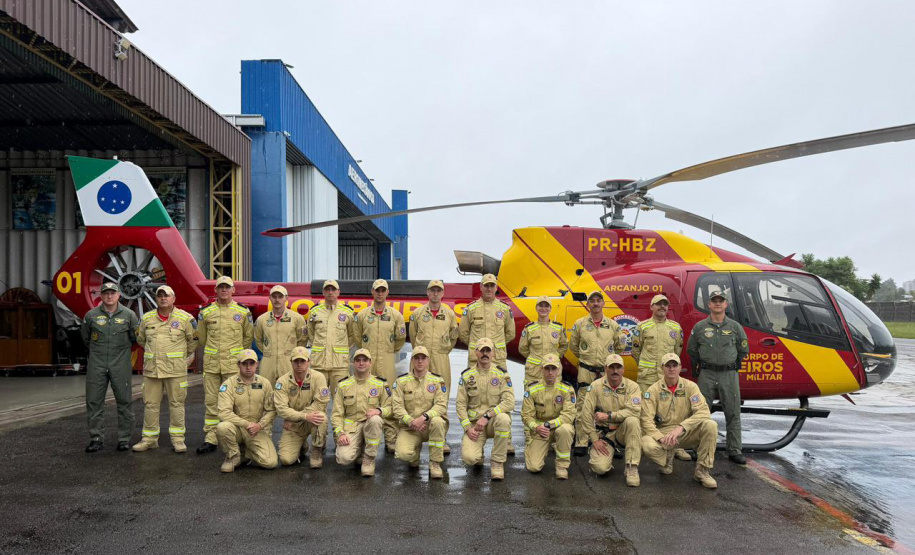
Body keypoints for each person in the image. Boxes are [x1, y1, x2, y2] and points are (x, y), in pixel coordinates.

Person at [687, 289, 750, 465]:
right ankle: (697, 448)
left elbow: (743, 349)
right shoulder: (700, 327)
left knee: (733, 412)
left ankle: (735, 450)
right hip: (706, 373)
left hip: (729, 374)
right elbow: (691, 350)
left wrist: (732, 364)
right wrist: (699, 367)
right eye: (714, 300)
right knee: (700, 412)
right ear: (709, 304)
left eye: (720, 301)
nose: (717, 303)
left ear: (725, 304)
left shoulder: (735, 327)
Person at [132, 285, 197, 454]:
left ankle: (178, 440)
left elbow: (193, 341)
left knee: (177, 404)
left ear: (173, 298)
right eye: (160, 295)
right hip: (152, 371)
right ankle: (149, 439)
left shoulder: (185, 319)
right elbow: (141, 340)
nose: (163, 298)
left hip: (175, 371)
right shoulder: (146, 318)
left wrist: (181, 357)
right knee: (150, 405)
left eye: (166, 295)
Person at [457, 274, 517, 454]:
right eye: (486, 286)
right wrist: (478, 350)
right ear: (481, 288)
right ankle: (474, 436)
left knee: (503, 397)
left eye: (492, 286)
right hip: (476, 360)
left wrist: (493, 349)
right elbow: (463, 333)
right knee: (474, 398)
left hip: (497, 359)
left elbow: (510, 333)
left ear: (496, 288)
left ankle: (506, 440)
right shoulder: (471, 309)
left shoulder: (504, 309)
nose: (489, 289)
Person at [640, 353, 718, 489]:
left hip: (685, 431)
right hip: (664, 432)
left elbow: (704, 411)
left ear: (680, 367)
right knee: (646, 444)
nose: (671, 369)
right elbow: (646, 420)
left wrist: (681, 427)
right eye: (668, 366)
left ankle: (702, 471)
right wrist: (660, 438)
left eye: (674, 365)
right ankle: (666, 459)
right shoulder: (653, 390)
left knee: (710, 425)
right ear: (662, 368)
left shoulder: (690, 387)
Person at [196, 276, 254, 454]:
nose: (224, 290)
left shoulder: (243, 312)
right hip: (213, 366)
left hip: (232, 367)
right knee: (212, 403)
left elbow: (248, 338)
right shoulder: (205, 312)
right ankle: (211, 438)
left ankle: (237, 436)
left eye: (227, 287)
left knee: (237, 403)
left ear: (233, 290)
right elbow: (202, 338)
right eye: (221, 287)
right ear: (215, 290)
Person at [80, 282, 140, 452]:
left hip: (120, 364)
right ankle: (96, 438)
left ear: (119, 295)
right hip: (97, 364)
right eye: (106, 293)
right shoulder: (91, 316)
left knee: (124, 401)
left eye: (112, 293)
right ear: (101, 295)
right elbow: (86, 338)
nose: (109, 296)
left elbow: (135, 339)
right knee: (93, 401)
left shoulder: (129, 315)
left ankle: (124, 438)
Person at [630, 294, 689, 462]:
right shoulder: (642, 327)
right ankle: (643, 443)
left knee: (673, 411)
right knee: (644, 410)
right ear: (651, 307)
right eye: (658, 305)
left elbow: (677, 351)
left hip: (668, 377)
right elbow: (636, 351)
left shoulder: (675, 328)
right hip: (647, 377)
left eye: (665, 305)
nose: (662, 307)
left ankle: (676, 446)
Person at [354, 278, 406, 452]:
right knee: (365, 397)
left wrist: (388, 351)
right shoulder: (362, 315)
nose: (380, 293)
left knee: (388, 397)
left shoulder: (395, 315)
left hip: (387, 360)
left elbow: (400, 339)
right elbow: (357, 337)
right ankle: (362, 437)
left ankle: (391, 437)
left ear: (387, 292)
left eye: (383, 290)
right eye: (377, 290)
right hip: (367, 360)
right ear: (372, 292)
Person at [569, 290, 624, 455]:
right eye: (592, 301)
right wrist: (587, 361)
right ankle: (581, 441)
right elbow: (574, 347)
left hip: (605, 372)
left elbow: (620, 347)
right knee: (583, 405)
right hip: (586, 370)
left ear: (603, 303)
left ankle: (609, 440)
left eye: (598, 300)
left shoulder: (613, 325)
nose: (595, 303)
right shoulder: (580, 324)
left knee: (608, 405)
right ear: (588, 304)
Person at [408, 279, 459, 455]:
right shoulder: (418, 313)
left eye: (438, 290)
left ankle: (441, 438)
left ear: (442, 293)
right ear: (427, 293)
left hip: (440, 358)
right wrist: (421, 353)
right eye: (432, 290)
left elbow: (454, 336)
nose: (435, 293)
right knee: (415, 396)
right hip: (421, 357)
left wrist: (443, 351)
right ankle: (414, 437)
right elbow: (413, 335)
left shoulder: (450, 314)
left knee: (441, 397)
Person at [455, 338, 515, 480]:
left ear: (493, 353)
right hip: (476, 426)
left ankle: (497, 463)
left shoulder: (502, 374)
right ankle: (478, 453)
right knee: (470, 459)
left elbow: (509, 402)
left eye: (488, 350)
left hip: (493, 421)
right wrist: (467, 428)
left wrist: (487, 416)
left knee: (504, 418)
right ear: (476, 353)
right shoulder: (466, 376)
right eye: (482, 350)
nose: (485, 354)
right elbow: (460, 405)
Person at [579, 354, 642, 486]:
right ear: (605, 369)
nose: (615, 371)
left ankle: (632, 466)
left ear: (623, 369)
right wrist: (594, 438)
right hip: (605, 434)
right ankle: (608, 454)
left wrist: (609, 416)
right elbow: (585, 414)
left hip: (623, 431)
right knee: (600, 468)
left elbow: (634, 411)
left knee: (633, 421)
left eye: (618, 367)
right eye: (611, 367)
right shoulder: (595, 386)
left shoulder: (633, 387)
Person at [332, 349, 393, 477]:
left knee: (375, 420)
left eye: (365, 360)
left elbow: (390, 408)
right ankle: (359, 448)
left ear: (370, 363)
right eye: (358, 360)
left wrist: (379, 410)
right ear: (353, 363)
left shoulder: (380, 384)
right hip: (351, 429)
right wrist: (340, 434)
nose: (361, 363)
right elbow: (336, 414)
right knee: (343, 458)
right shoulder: (343, 385)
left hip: (370, 427)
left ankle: (369, 458)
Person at [215, 349, 278, 473]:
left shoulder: (264, 383)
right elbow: (224, 412)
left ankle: (246, 451)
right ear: (238, 365)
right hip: (238, 428)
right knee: (222, 427)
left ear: (257, 364)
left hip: (257, 429)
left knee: (270, 463)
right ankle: (233, 457)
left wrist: (260, 425)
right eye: (244, 364)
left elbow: (271, 410)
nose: (248, 367)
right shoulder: (229, 384)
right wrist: (246, 424)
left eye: (251, 363)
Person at [390, 347, 448, 479]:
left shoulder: (438, 381)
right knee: (403, 454)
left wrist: (424, 417)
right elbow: (397, 407)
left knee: (438, 421)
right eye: (416, 358)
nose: (420, 361)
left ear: (428, 361)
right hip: (410, 427)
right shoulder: (401, 381)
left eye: (423, 358)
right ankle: (414, 455)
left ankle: (435, 463)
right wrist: (411, 421)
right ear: (412, 361)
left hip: (428, 425)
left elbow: (441, 405)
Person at [273, 346, 330, 468]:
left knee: (321, 417)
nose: (299, 364)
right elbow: (281, 409)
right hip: (294, 425)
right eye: (296, 361)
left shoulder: (318, 377)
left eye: (303, 361)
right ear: (291, 362)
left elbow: (321, 403)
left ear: (309, 361)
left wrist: (298, 417)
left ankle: (316, 450)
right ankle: (302, 445)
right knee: (286, 460)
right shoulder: (282, 382)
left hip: (307, 421)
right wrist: (304, 416)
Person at [521, 353, 576, 479]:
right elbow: (526, 416)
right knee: (534, 467)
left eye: (553, 369)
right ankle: (533, 449)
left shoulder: (567, 389)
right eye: (547, 368)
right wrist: (536, 427)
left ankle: (562, 467)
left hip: (558, 427)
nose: (550, 373)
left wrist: (549, 425)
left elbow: (569, 415)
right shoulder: (532, 389)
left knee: (566, 429)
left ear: (559, 370)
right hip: (540, 431)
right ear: (541, 370)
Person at [307, 279, 357, 397]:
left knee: (341, 399)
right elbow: (311, 334)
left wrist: (342, 348)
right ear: (323, 292)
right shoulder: (315, 312)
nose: (330, 292)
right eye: (327, 289)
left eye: (333, 289)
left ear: (338, 292)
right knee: (317, 399)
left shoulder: (348, 312)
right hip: (319, 364)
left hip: (339, 366)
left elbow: (352, 335)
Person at [253, 285, 307, 385]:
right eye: (274, 297)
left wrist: (292, 353)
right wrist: (269, 351)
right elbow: (258, 339)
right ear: (270, 298)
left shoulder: (297, 318)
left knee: (289, 389)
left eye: (280, 297)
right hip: (268, 362)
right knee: (266, 390)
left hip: (289, 362)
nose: (277, 300)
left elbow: (302, 340)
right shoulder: (262, 319)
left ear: (286, 298)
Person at [518, 296, 568, 389]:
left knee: (553, 399)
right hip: (534, 372)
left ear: (550, 309)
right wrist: (534, 357)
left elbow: (564, 345)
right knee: (531, 399)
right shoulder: (529, 328)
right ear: (536, 308)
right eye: (541, 306)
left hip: (552, 371)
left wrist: (555, 356)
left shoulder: (558, 328)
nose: (543, 308)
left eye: (546, 306)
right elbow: (522, 348)